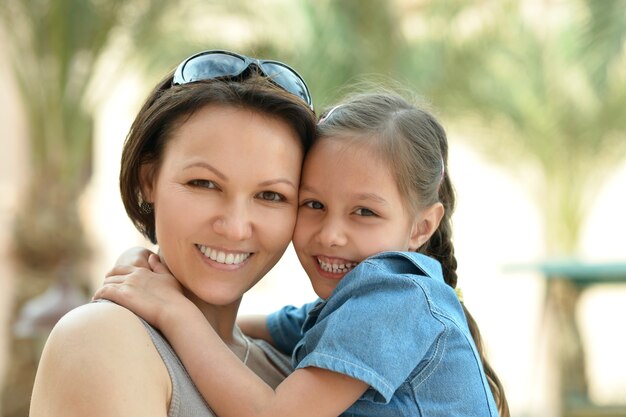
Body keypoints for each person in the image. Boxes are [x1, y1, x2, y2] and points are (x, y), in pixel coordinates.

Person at [95, 91, 511, 417]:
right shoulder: (354, 307)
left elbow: (271, 414)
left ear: (421, 226)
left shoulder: (396, 300)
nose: (330, 235)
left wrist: (171, 310)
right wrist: (151, 279)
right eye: (313, 204)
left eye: (364, 212)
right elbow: (261, 326)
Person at [29, 49, 317, 417]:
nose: (234, 226)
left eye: (271, 195)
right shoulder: (102, 339)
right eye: (203, 183)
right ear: (149, 180)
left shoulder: (295, 368)